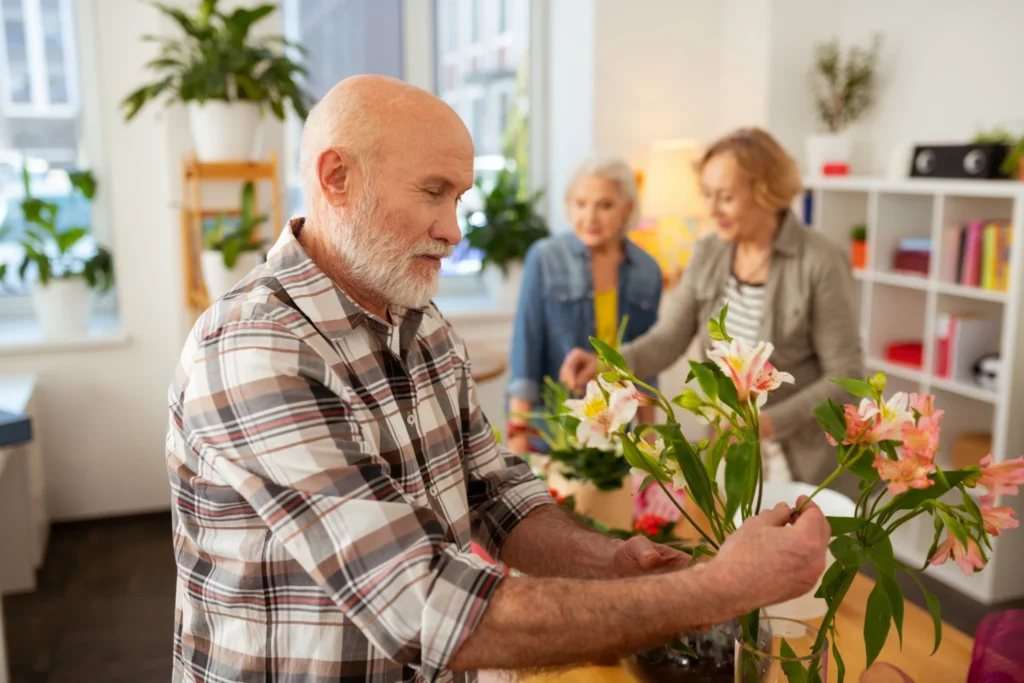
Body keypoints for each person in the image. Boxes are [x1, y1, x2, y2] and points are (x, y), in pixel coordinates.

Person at [166, 77, 831, 683]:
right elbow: (426, 607)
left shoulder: (419, 320)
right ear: (337, 177)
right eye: (433, 192)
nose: (453, 230)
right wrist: (723, 586)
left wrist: (607, 561)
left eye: (459, 198)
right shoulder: (257, 347)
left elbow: (497, 492)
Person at [560, 127, 864, 488]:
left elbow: (847, 376)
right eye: (707, 194)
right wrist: (605, 364)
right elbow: (667, 339)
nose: (712, 208)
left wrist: (768, 422)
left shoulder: (820, 261)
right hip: (730, 453)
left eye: (726, 197)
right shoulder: (708, 253)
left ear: (765, 192)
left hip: (802, 463)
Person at [506, 155, 662, 455]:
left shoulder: (648, 270)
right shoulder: (544, 258)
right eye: (580, 204)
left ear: (627, 209)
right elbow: (526, 349)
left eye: (605, 205)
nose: (589, 217)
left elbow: (647, 362)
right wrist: (518, 437)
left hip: (619, 436)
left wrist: (649, 441)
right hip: (554, 434)